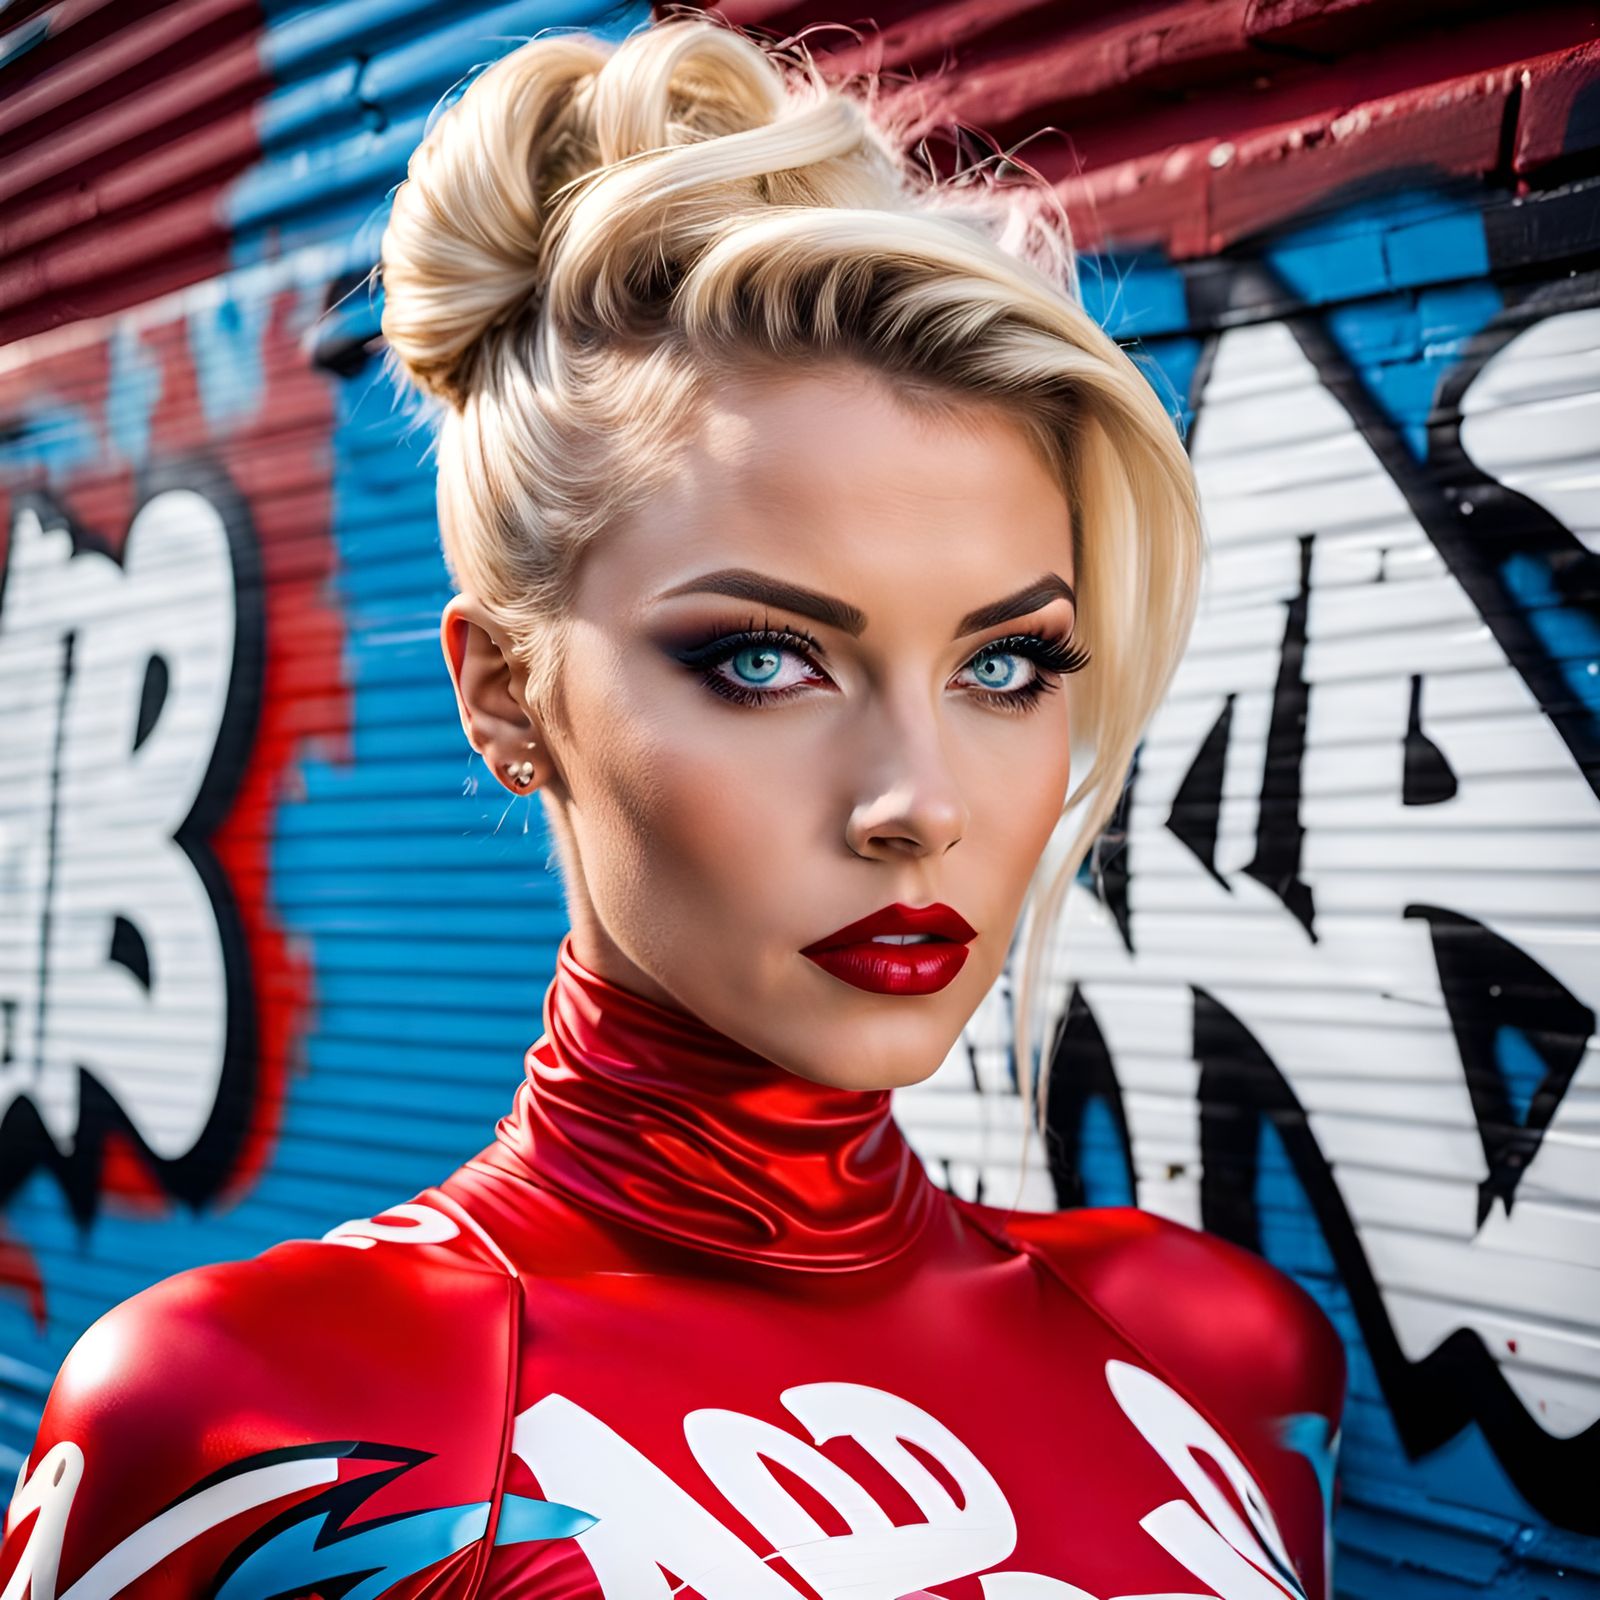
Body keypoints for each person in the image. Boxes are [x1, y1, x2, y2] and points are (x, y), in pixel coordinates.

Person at [0, 15, 1345, 1599]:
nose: (917, 803)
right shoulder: (260, 1428)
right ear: (507, 691)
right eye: (767, 658)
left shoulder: (1228, 1369)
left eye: (1007, 666)